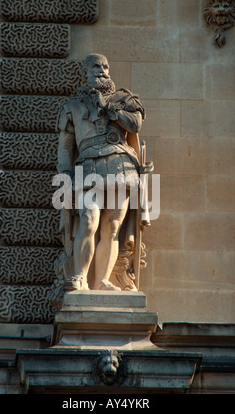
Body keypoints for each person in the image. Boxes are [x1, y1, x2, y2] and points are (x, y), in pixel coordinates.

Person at [56, 53, 151, 291]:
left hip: (121, 165)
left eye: (105, 66)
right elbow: (66, 148)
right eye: (96, 66)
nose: (102, 70)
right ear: (85, 72)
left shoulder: (124, 99)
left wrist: (114, 112)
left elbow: (135, 125)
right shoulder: (73, 106)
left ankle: (102, 281)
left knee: (112, 227)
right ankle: (79, 277)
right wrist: (65, 173)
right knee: (88, 221)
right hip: (88, 166)